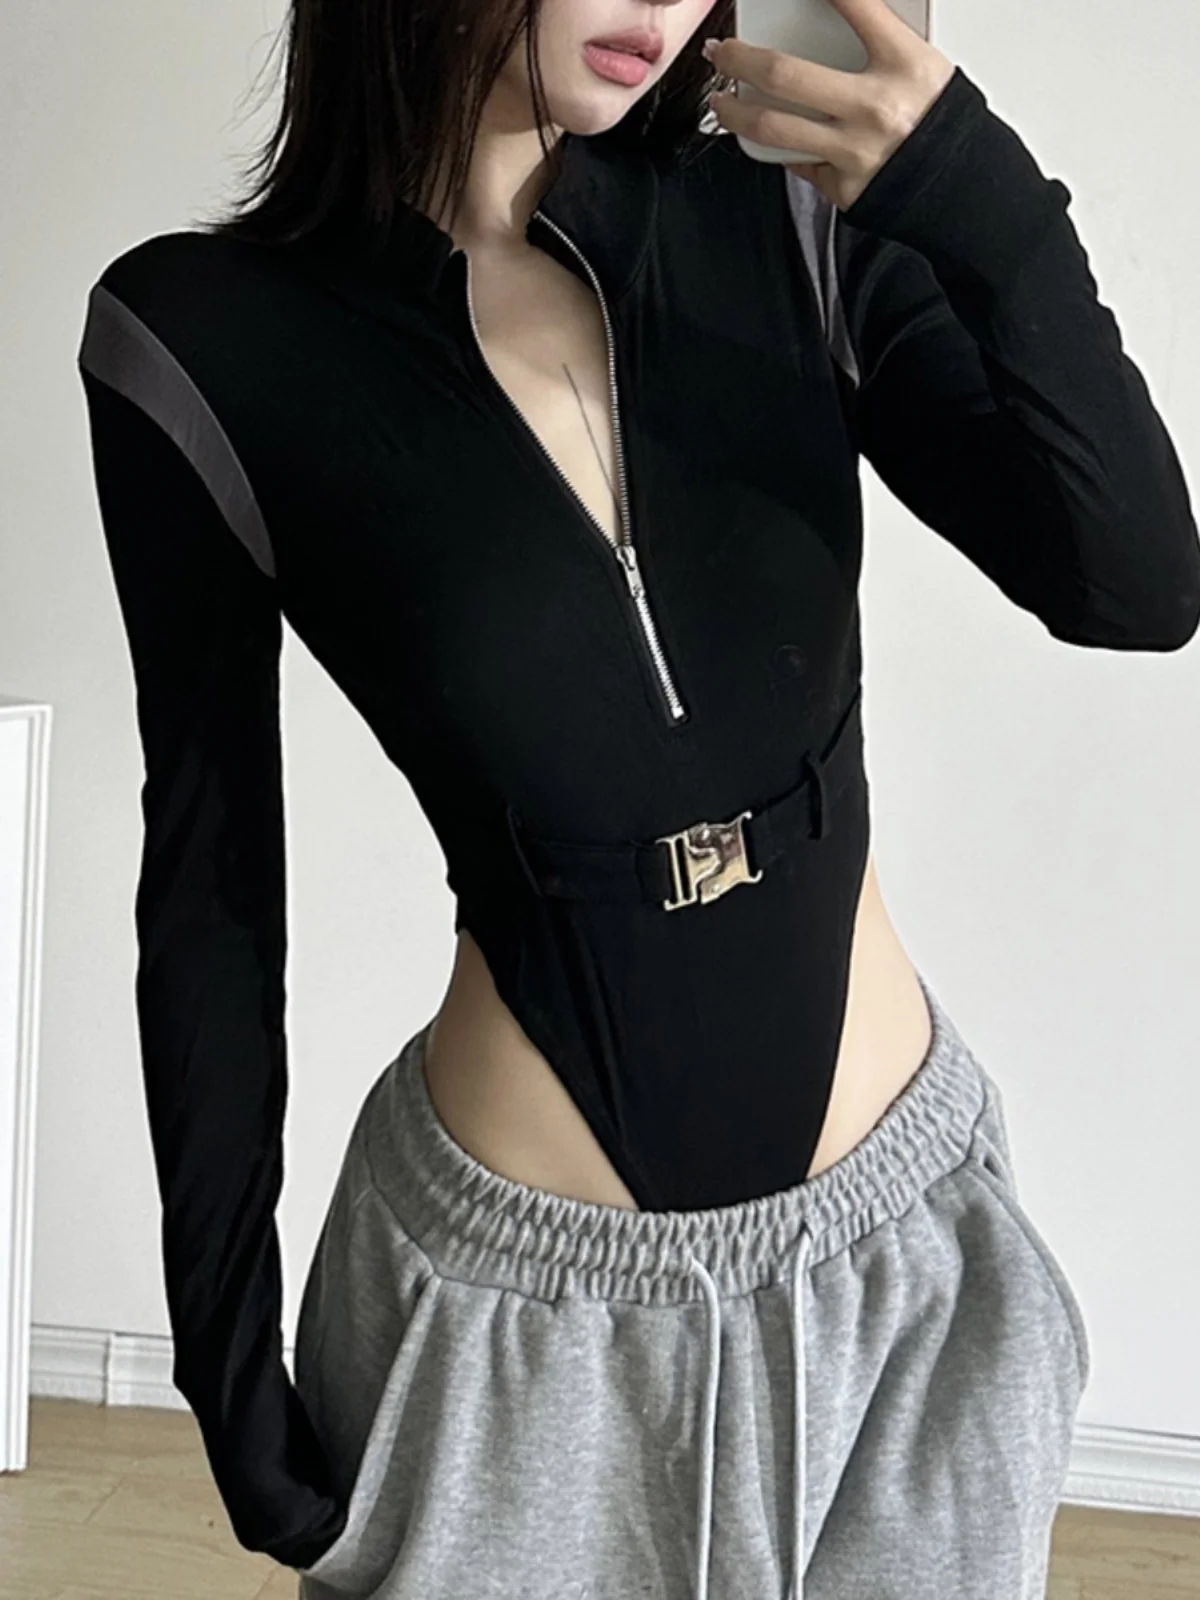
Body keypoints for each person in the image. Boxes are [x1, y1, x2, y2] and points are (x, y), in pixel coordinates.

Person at [76, 0, 1200, 1594]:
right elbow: (209, 878)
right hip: (511, 1329)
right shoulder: (203, 339)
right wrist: (224, 1352)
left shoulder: (794, 224)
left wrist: (983, 200)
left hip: (903, 1281)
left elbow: (1137, 585)